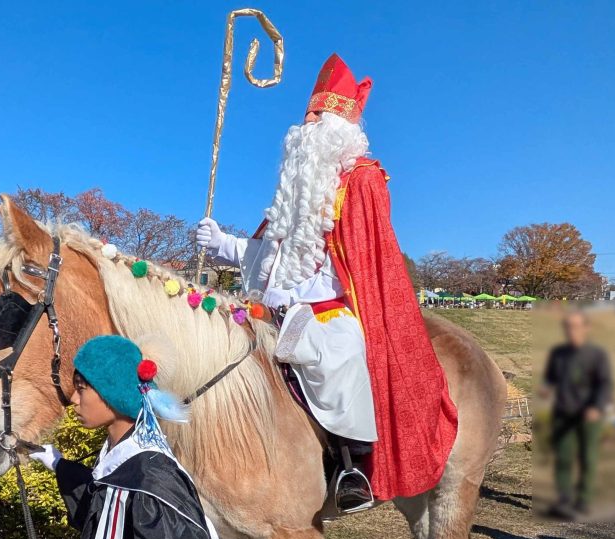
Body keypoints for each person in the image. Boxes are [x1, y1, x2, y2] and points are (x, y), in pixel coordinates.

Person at [195, 53, 458, 513]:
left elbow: (363, 255)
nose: (308, 121)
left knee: (339, 355)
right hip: (264, 310)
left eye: (320, 114)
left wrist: (298, 299)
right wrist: (223, 243)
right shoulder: (292, 194)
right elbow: (267, 257)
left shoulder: (361, 181)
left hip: (325, 308)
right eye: (308, 114)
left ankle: (351, 465)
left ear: (343, 126)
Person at [26, 335, 220, 539]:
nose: (73, 399)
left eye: (83, 387)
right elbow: (103, 521)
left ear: (112, 394)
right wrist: (59, 466)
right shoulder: (122, 462)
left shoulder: (153, 477)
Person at [541, 311, 613, 519]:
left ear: (586, 328)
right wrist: (546, 388)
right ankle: (564, 499)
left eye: (576, 326)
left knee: (587, 457)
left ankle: (584, 499)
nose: (571, 330)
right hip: (562, 412)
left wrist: (596, 407)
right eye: (568, 326)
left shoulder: (596, 354)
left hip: (588, 415)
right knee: (563, 457)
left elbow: (605, 384)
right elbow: (550, 378)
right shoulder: (558, 353)